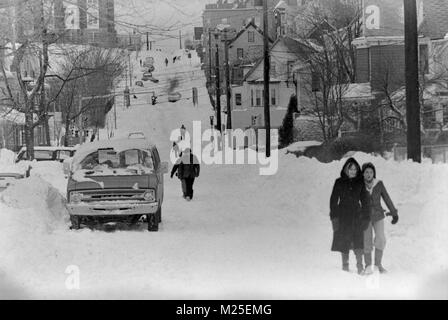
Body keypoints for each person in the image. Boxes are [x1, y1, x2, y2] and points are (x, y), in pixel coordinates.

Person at [330, 157, 370, 274]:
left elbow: (365, 201)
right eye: (350, 169)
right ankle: (345, 266)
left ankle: (360, 267)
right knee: (344, 241)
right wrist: (334, 217)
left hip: (357, 216)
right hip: (343, 216)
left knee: (358, 241)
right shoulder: (339, 182)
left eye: (355, 169)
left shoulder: (360, 182)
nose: (353, 171)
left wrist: (366, 217)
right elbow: (333, 200)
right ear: (346, 169)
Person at [361, 162, 398, 274]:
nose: (368, 174)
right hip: (364, 217)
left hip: (378, 216)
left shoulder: (379, 184)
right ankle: (368, 266)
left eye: (371, 172)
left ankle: (378, 265)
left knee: (381, 239)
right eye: (366, 172)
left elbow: (386, 198)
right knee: (366, 241)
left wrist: (394, 213)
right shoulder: (359, 185)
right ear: (363, 173)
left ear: (374, 173)